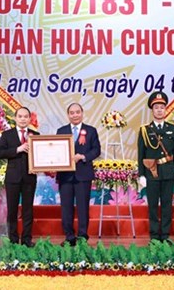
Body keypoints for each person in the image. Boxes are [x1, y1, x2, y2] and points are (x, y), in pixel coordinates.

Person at [137, 91, 174, 243]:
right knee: (153, 205)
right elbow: (141, 153)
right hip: (151, 172)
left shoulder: (173, 129)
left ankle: (166, 235)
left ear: (166, 109)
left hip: (168, 171)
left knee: (167, 205)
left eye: (162, 107)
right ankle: (155, 236)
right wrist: (141, 174)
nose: (159, 110)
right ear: (152, 110)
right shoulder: (145, 130)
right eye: (156, 108)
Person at [56, 103, 101, 246]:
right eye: (72, 112)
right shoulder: (61, 131)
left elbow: (96, 150)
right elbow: (56, 150)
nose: (75, 115)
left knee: (83, 208)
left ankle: (82, 237)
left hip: (83, 174)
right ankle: (69, 237)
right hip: (65, 176)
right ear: (68, 115)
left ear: (82, 113)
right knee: (66, 208)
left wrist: (83, 157)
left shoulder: (91, 130)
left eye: (77, 112)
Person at [0, 106, 38, 247]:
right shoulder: (7, 135)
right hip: (13, 177)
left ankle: (26, 239)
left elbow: (40, 154)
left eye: (25, 116)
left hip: (30, 177)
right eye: (20, 116)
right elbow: (0, 153)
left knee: (28, 210)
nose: (23, 119)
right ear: (15, 118)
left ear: (30, 119)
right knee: (12, 210)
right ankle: (13, 239)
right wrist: (17, 149)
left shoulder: (35, 134)